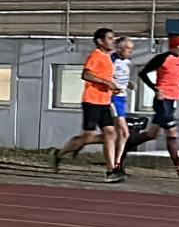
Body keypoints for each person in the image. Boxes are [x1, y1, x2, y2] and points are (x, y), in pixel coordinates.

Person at [49, 28, 126, 184]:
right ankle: (58, 154)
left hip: (104, 101)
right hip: (92, 102)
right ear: (100, 41)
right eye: (110, 38)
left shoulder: (108, 58)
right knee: (88, 137)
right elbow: (86, 74)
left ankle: (111, 170)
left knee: (111, 134)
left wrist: (113, 87)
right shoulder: (95, 56)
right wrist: (106, 83)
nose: (113, 41)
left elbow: (104, 78)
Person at [120, 34, 179, 177]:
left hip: (173, 100)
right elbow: (143, 73)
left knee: (151, 134)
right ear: (173, 46)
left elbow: (177, 79)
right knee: (172, 132)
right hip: (162, 100)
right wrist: (155, 88)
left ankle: (121, 152)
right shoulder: (162, 58)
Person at [67, 36, 136, 171]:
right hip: (110, 98)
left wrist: (126, 84)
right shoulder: (109, 59)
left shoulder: (127, 61)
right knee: (123, 132)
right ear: (120, 49)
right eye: (128, 49)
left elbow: (117, 77)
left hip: (122, 98)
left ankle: (79, 143)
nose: (130, 52)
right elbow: (100, 76)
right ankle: (115, 165)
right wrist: (109, 86)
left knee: (112, 134)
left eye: (132, 49)